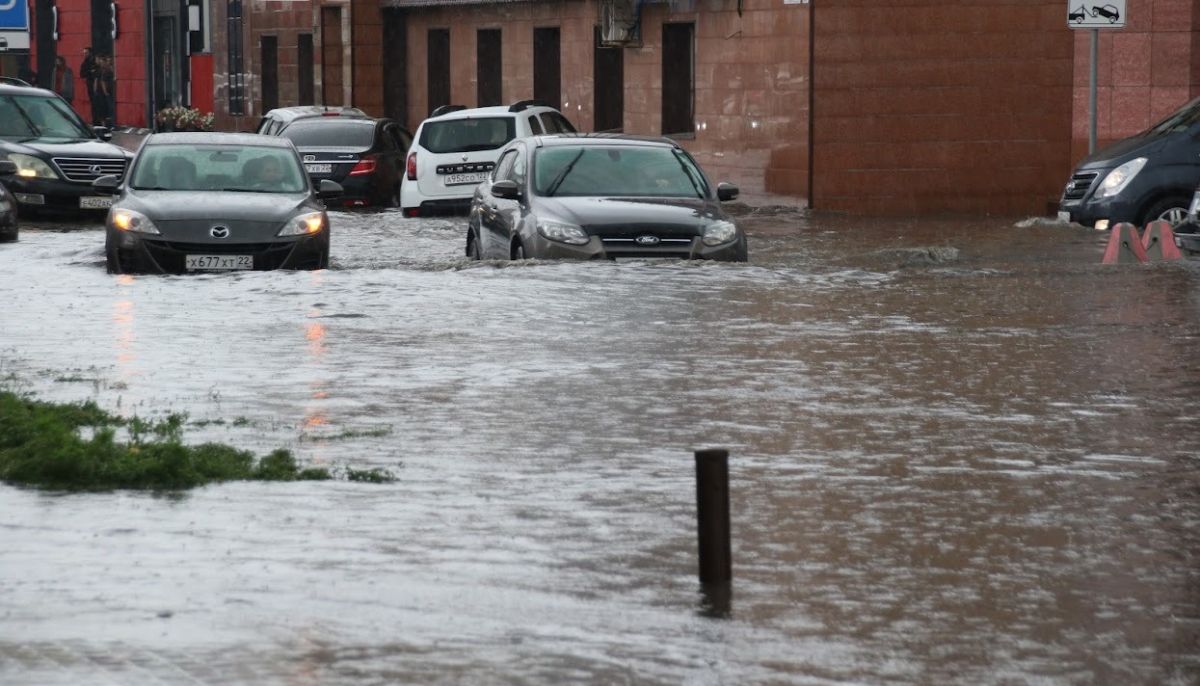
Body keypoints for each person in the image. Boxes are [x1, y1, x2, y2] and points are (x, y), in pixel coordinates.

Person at [80, 48, 99, 124]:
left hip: (98, 84)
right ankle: (95, 120)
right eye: (84, 53)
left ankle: (99, 119)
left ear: (90, 53)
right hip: (90, 84)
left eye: (86, 53)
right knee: (93, 102)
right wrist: (90, 72)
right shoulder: (85, 63)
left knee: (99, 102)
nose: (85, 54)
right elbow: (82, 74)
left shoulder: (96, 61)